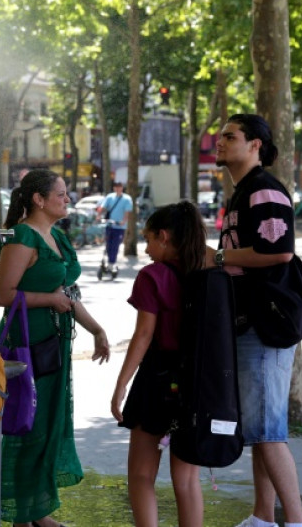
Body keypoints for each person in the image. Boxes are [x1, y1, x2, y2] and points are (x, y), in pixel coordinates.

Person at [203, 114, 302, 527]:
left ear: (255, 146)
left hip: (266, 325)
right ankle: (263, 516)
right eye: (220, 136)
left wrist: (216, 258)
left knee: (267, 430)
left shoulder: (263, 190)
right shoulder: (243, 191)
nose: (220, 142)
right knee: (262, 429)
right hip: (251, 323)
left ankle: (296, 521)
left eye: (230, 137)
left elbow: (278, 251)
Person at [0, 169, 111, 527]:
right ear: (38, 200)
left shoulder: (57, 236)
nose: (68, 198)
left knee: (46, 423)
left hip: (55, 340)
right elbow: (3, 295)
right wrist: (50, 299)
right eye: (61, 193)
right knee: (25, 422)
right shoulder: (22, 236)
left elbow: (69, 295)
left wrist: (96, 329)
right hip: (26, 342)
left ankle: (37, 510)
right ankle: (21, 513)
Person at [111, 201, 206, 527]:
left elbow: (144, 334)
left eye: (149, 239)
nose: (147, 248)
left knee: (140, 475)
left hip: (157, 380)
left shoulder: (152, 276)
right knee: (187, 481)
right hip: (196, 381)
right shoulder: (206, 272)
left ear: (164, 237)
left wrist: (121, 384)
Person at [98, 181, 133, 274]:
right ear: (114, 188)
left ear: (122, 188)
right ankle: (109, 262)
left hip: (119, 227)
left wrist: (123, 221)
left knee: (115, 245)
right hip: (109, 225)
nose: (118, 189)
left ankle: (112, 263)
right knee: (108, 245)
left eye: (119, 187)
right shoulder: (110, 197)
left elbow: (127, 212)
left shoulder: (126, 199)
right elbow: (103, 207)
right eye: (116, 187)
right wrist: (98, 215)